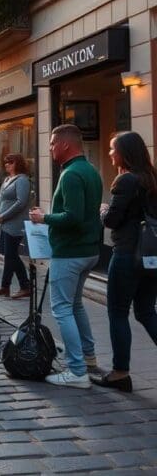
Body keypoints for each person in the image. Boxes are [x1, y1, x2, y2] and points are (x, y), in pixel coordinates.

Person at [29, 124, 101, 389]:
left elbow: (73, 217)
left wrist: (43, 217)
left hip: (71, 252)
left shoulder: (70, 174)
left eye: (51, 143)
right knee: (75, 305)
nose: (49, 148)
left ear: (65, 145)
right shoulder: (90, 170)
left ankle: (77, 370)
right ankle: (89, 358)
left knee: (61, 309)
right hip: (88, 250)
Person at [96, 132, 157, 392]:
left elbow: (112, 221)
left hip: (126, 255)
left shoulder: (125, 180)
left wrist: (103, 210)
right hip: (150, 257)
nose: (110, 153)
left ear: (124, 153)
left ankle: (120, 372)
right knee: (146, 312)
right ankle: (120, 371)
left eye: (112, 149)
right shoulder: (152, 179)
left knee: (118, 313)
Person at [0, 153, 32, 299]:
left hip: (15, 224)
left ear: (18, 163)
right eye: (6, 162)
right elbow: (0, 198)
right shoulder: (7, 179)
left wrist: (3, 215)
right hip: (5, 223)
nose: (7, 165)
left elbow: (21, 202)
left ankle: (15, 286)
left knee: (11, 255)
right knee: (10, 255)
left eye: (10, 162)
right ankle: (13, 286)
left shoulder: (22, 180)